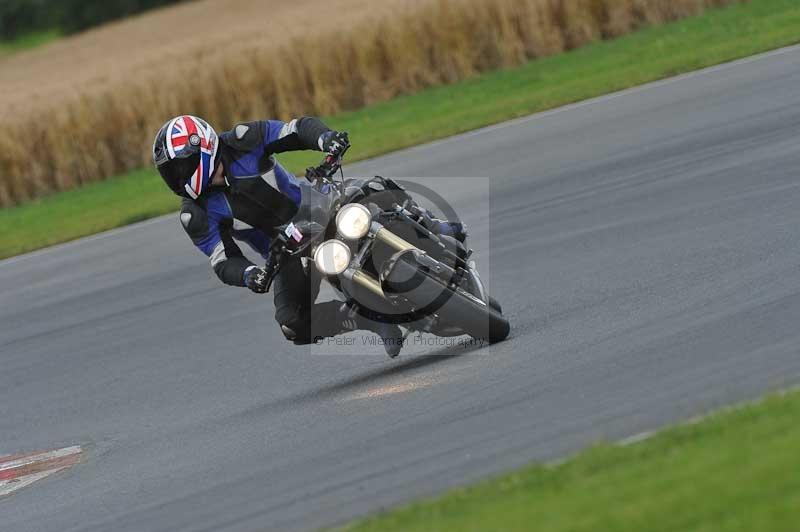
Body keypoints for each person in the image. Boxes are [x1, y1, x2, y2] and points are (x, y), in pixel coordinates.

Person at [152, 114, 405, 356]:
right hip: (287, 253)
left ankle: (423, 222)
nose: (178, 178)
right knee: (292, 323)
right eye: (170, 172)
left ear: (203, 148)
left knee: (375, 190)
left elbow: (295, 130)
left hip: (319, 206)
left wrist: (326, 139)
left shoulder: (244, 139)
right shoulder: (195, 214)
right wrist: (250, 274)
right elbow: (223, 260)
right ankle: (371, 319)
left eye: (181, 167)